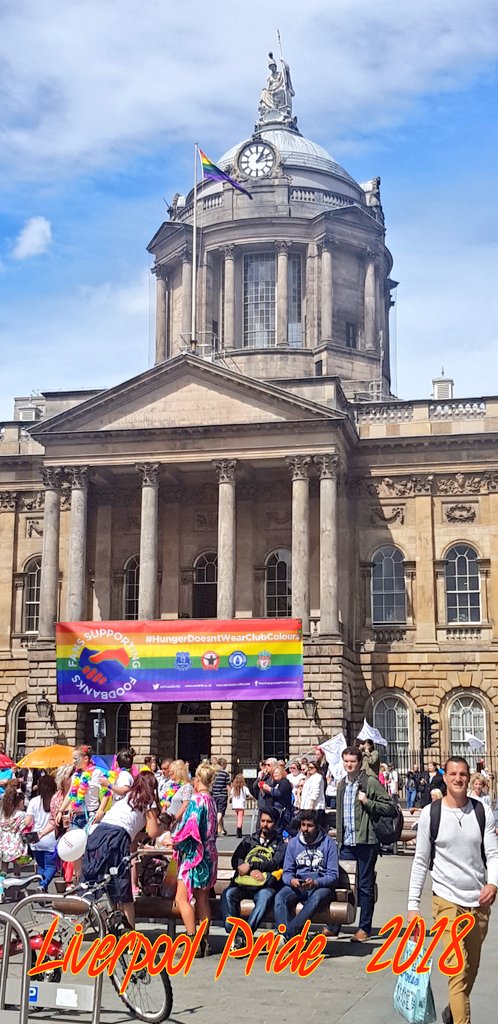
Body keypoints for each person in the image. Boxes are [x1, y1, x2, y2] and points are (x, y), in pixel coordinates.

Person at [408, 756, 498, 1024]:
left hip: (478, 901)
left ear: (469, 777)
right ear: (444, 778)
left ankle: (452, 1011)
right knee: (457, 969)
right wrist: (413, 907)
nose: (458, 778)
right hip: (446, 901)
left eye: (463, 774)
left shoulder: (482, 811)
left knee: (470, 970)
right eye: (453, 774)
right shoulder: (431, 814)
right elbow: (421, 861)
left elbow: (492, 854)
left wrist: (493, 883)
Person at [82, 771, 163, 928]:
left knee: (102, 883)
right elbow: (153, 832)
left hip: (98, 834)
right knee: (121, 887)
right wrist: (164, 827)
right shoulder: (148, 800)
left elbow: (131, 828)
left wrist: (138, 836)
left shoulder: (127, 797)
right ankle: (129, 934)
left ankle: (110, 926)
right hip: (116, 838)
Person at [335, 745, 397, 941]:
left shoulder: (369, 782)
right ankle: (334, 924)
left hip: (366, 842)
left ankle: (364, 928)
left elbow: (390, 808)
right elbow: (340, 816)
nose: (349, 765)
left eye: (352, 761)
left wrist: (368, 802)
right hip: (346, 842)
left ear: (360, 762)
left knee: (364, 885)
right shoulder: (342, 784)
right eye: (346, 761)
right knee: (341, 884)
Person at [220, 807, 285, 945]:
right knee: (228, 894)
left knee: (265, 897)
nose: (265, 825)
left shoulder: (280, 844)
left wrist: (251, 866)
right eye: (262, 821)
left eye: (269, 822)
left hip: (264, 886)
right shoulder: (249, 840)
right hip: (243, 884)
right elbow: (235, 860)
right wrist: (249, 871)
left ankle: (244, 934)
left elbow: (275, 863)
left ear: (276, 824)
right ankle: (234, 932)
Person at [172, 761, 218, 956]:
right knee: (203, 900)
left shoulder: (197, 800)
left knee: (182, 899)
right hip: (210, 854)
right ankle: (204, 940)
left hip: (195, 855)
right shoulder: (212, 801)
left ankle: (192, 940)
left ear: (198, 779)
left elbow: (190, 828)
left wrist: (174, 841)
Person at [274, 809, 339, 940]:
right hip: (299, 884)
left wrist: (316, 883)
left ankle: (287, 936)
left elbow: (333, 875)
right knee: (280, 897)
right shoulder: (293, 843)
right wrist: (291, 881)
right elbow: (287, 872)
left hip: (320, 886)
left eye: (310, 826)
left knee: (315, 900)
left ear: (317, 827)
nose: (305, 829)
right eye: (303, 825)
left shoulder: (329, 844)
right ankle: (288, 936)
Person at [55, 745, 111, 880]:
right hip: (76, 816)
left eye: (76, 758)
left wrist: (101, 810)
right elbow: (70, 794)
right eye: (73, 758)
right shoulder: (76, 775)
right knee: (75, 850)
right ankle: (79, 879)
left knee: (91, 849)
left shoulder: (97, 773)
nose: (74, 761)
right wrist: (61, 810)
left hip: (91, 816)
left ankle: (92, 877)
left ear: (86, 758)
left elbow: (107, 792)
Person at [24, 774, 57, 892]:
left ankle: (42, 891)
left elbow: (27, 822)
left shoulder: (34, 801)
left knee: (41, 866)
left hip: (35, 839)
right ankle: (43, 885)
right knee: (52, 866)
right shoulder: (56, 801)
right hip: (51, 838)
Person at [0, 786, 26, 876]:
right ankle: (16, 886)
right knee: (17, 865)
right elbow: (23, 828)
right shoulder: (21, 814)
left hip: (4, 840)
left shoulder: (2, 814)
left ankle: (1, 886)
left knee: (4, 866)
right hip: (16, 841)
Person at [259, 764, 293, 833]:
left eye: (276, 773)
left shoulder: (285, 782)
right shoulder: (275, 783)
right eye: (273, 773)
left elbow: (279, 793)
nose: (274, 775)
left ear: (281, 773)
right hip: (276, 810)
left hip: (283, 811)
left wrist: (268, 789)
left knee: (281, 829)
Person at [212, 758, 230, 836]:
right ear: (223, 764)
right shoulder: (225, 774)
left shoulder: (214, 773)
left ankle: (222, 829)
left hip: (214, 794)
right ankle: (215, 827)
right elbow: (228, 785)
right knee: (220, 811)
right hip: (222, 794)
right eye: (226, 764)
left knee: (218, 812)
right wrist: (231, 794)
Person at [229, 774, 251, 839]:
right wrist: (253, 798)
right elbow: (249, 795)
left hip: (235, 805)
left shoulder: (234, 788)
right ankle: (239, 830)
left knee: (238, 817)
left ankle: (239, 829)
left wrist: (230, 800)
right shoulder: (244, 788)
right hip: (241, 804)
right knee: (240, 818)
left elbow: (231, 795)